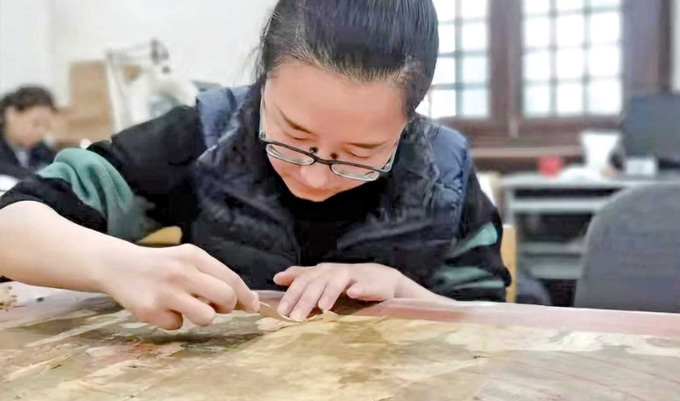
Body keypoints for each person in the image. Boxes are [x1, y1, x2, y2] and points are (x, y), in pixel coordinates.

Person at [0, 0, 510, 329]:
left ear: (410, 118)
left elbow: (490, 323)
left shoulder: (445, 170)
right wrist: (118, 265)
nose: (314, 175)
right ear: (263, 82)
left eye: (359, 155)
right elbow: (10, 225)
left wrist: (402, 290)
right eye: (293, 135)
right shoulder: (205, 133)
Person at [0, 86, 56, 179]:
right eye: (36, 123)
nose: (41, 131)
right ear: (11, 115)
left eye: (46, 126)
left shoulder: (43, 151)